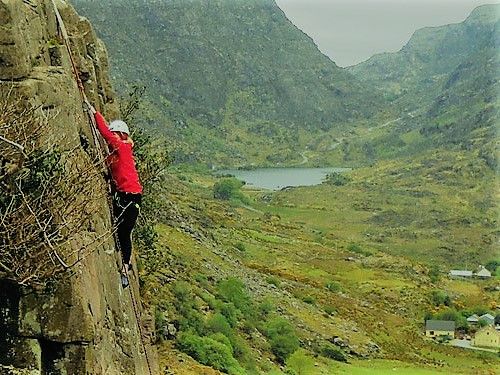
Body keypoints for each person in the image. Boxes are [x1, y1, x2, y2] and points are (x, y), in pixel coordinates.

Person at [85, 101, 142, 288]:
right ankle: (123, 262)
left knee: (124, 232)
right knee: (120, 231)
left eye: (117, 135)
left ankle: (125, 266)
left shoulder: (124, 147)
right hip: (125, 195)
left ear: (121, 135)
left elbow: (106, 134)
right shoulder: (113, 157)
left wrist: (95, 113)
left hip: (131, 196)